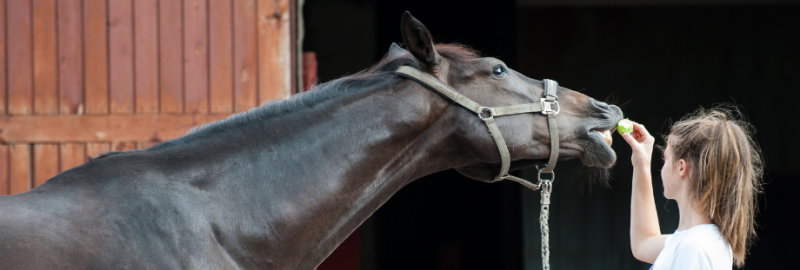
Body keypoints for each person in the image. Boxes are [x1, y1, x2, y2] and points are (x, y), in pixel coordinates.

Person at [622, 106, 763, 269]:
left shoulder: (693, 249)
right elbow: (643, 243)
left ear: (681, 168)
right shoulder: (697, 240)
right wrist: (641, 163)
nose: (662, 167)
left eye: (665, 158)